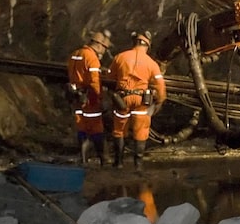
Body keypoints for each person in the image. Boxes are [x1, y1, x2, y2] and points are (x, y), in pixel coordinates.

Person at [108, 30, 166, 170]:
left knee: (119, 130)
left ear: (134, 42)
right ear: (147, 45)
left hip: (122, 99)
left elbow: (110, 77)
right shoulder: (151, 63)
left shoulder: (119, 57)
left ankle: (119, 163)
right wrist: (160, 100)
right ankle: (138, 165)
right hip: (142, 100)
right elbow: (160, 85)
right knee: (141, 130)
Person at [66, 30, 112, 166]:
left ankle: (83, 158)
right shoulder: (91, 57)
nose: (104, 51)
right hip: (89, 98)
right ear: (99, 45)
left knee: (81, 127)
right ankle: (104, 158)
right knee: (96, 127)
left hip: (75, 96)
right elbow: (93, 81)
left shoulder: (75, 54)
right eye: (104, 48)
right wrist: (100, 98)